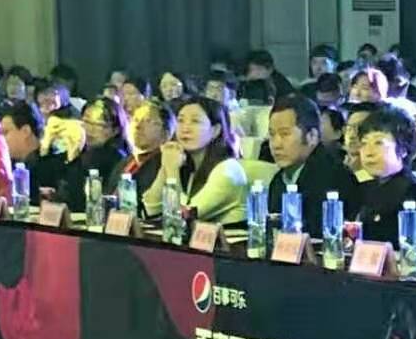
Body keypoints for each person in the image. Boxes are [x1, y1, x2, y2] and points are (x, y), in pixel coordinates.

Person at [267, 94, 359, 236]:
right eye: (272, 135)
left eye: (285, 134)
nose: (276, 144)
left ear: (312, 136)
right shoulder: (279, 180)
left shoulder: (333, 176)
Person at [353, 105, 416, 249]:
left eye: (379, 143)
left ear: (403, 149)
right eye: (364, 143)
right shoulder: (363, 188)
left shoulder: (415, 193)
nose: (368, 152)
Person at [153, 96, 248, 224]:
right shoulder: (187, 165)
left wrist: (171, 170)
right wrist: (165, 165)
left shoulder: (228, 170)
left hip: (228, 237)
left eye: (195, 121)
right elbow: (151, 210)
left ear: (215, 130)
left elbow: (184, 217)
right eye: (180, 120)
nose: (185, 128)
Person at [55, 95, 129, 212]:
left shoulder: (116, 157)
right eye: (86, 122)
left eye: (98, 125)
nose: (90, 129)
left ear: (115, 130)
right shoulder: (79, 149)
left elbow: (79, 197)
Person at [107, 99, 173, 210]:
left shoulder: (165, 164)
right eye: (135, 120)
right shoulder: (124, 163)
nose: (138, 126)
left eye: (147, 121)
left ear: (166, 133)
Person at [0, 100, 49, 201]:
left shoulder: (51, 166)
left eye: (6, 133)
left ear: (26, 131)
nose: (1, 140)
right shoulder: (10, 164)